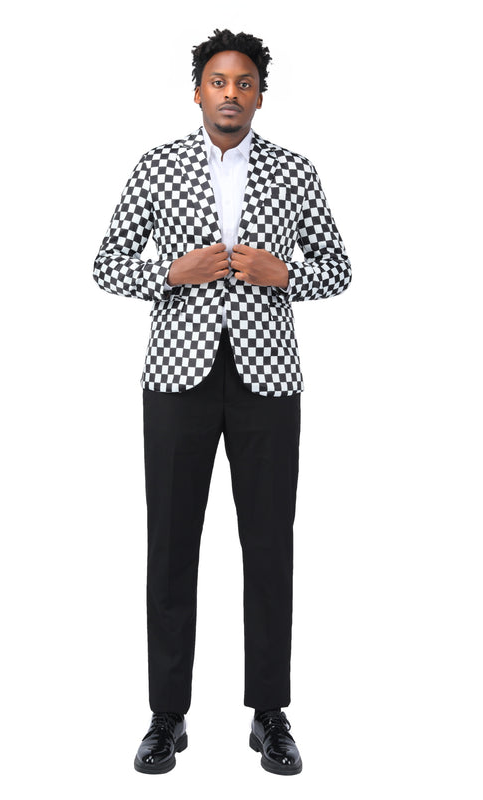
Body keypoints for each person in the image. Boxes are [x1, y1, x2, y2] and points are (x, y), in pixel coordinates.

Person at [93, 27, 352, 776]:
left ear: (260, 96)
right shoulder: (158, 165)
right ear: (198, 92)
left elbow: (337, 267)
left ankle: (269, 714)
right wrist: (171, 274)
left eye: (244, 83)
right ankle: (166, 715)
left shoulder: (294, 171)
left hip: (268, 380)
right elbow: (107, 264)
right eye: (218, 81)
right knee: (171, 544)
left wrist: (286, 276)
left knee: (268, 545)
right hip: (177, 378)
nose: (230, 93)